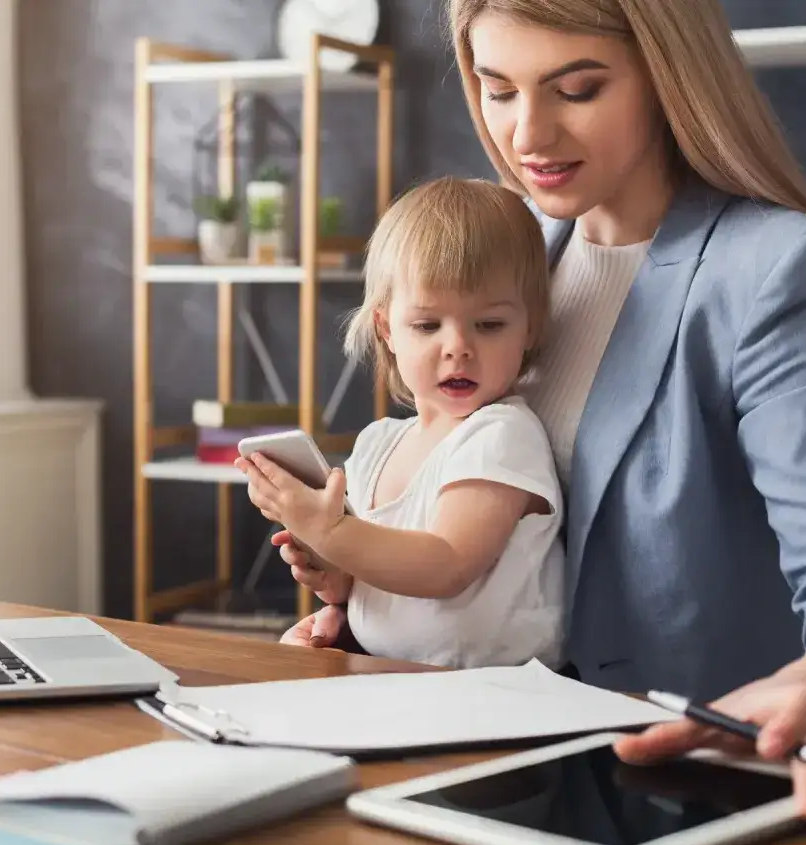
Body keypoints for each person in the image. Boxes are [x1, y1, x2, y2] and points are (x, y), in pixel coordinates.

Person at [286, 0, 806, 824]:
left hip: (680, 792)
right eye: (497, 90)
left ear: (669, 76)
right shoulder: (506, 257)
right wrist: (363, 597)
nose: (528, 134)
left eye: (577, 89)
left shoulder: (775, 272)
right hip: (481, 773)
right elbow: (492, 529)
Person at [236, 176, 566, 670]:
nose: (457, 347)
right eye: (428, 325)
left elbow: (445, 565)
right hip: (393, 677)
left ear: (530, 326)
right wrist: (333, 581)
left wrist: (330, 533)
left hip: (494, 697)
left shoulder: (501, 435)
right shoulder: (378, 444)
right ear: (387, 329)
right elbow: (378, 575)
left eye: (489, 324)